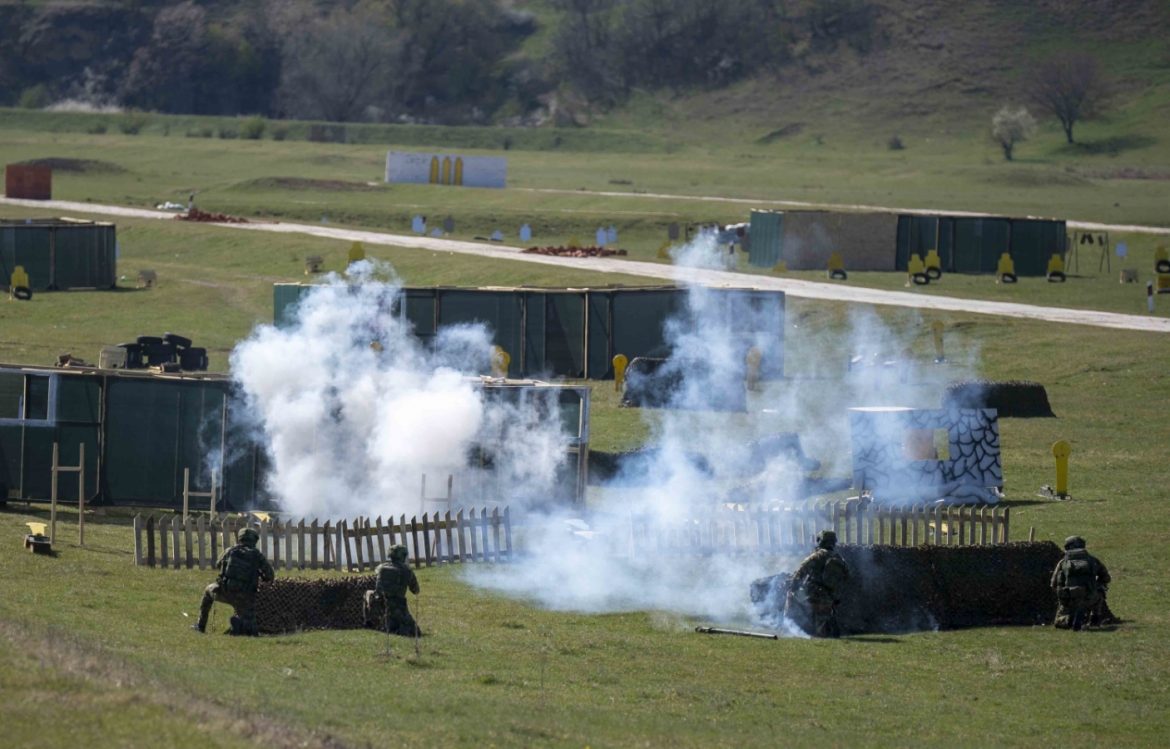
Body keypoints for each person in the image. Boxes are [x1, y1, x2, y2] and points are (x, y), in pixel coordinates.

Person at [194, 527, 275, 636]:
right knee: (250, 626)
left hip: (225, 591)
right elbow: (270, 575)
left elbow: (218, 564)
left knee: (208, 592)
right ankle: (240, 625)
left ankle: (200, 626)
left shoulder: (230, 550)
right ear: (254, 541)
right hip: (245, 597)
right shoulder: (257, 555)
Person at [785, 530, 850, 638]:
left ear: (820, 541)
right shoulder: (839, 558)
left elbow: (800, 573)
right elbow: (846, 577)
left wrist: (793, 585)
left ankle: (789, 624)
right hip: (830, 598)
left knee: (791, 594)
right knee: (823, 621)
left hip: (812, 595)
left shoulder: (816, 556)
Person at [1050, 535, 1111, 631]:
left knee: (1058, 622)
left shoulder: (1063, 563)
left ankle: (1069, 619)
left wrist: (1062, 595)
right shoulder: (1093, 560)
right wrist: (1095, 586)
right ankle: (1094, 619)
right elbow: (1106, 578)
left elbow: (1053, 583)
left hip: (1068, 598)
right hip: (1089, 597)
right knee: (1100, 593)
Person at [364, 544, 421, 636]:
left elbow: (378, 581)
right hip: (399, 606)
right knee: (414, 631)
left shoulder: (381, 568)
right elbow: (416, 590)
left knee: (367, 593)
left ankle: (368, 621)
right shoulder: (407, 571)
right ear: (403, 556)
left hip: (380, 603)